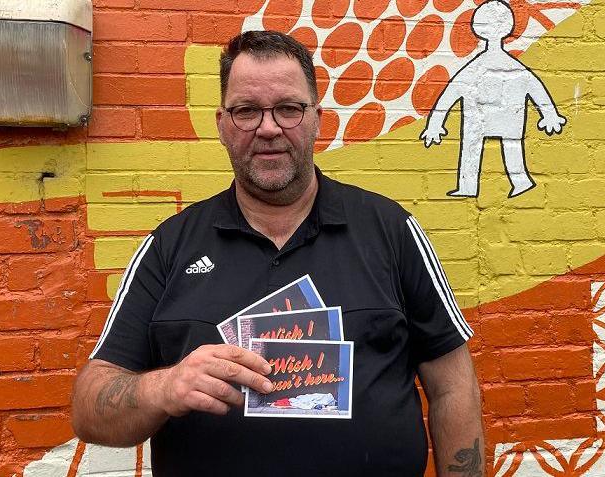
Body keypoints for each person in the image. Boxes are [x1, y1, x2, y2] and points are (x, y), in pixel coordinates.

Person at [72, 30, 484, 476]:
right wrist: (164, 387)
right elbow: (90, 408)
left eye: (288, 108)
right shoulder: (170, 247)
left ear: (317, 119)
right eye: (247, 110)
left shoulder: (391, 231)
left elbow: (452, 387)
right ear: (222, 124)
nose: (268, 128)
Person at [420, 0, 566, 198]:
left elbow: (451, 93)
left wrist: (436, 124)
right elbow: (535, 86)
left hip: (480, 118)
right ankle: (519, 181)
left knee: (474, 149)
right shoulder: (512, 66)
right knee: (511, 146)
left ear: (477, 28)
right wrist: (550, 115)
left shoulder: (476, 67)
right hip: (504, 116)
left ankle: (471, 186)